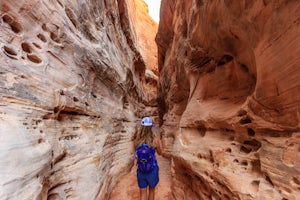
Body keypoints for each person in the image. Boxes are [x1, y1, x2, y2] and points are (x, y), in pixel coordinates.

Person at [134, 116, 159, 200]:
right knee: (152, 191)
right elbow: (159, 150)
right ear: (151, 126)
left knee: (142, 193)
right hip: (152, 169)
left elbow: (135, 151)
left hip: (141, 170)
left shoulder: (137, 140)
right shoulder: (154, 138)